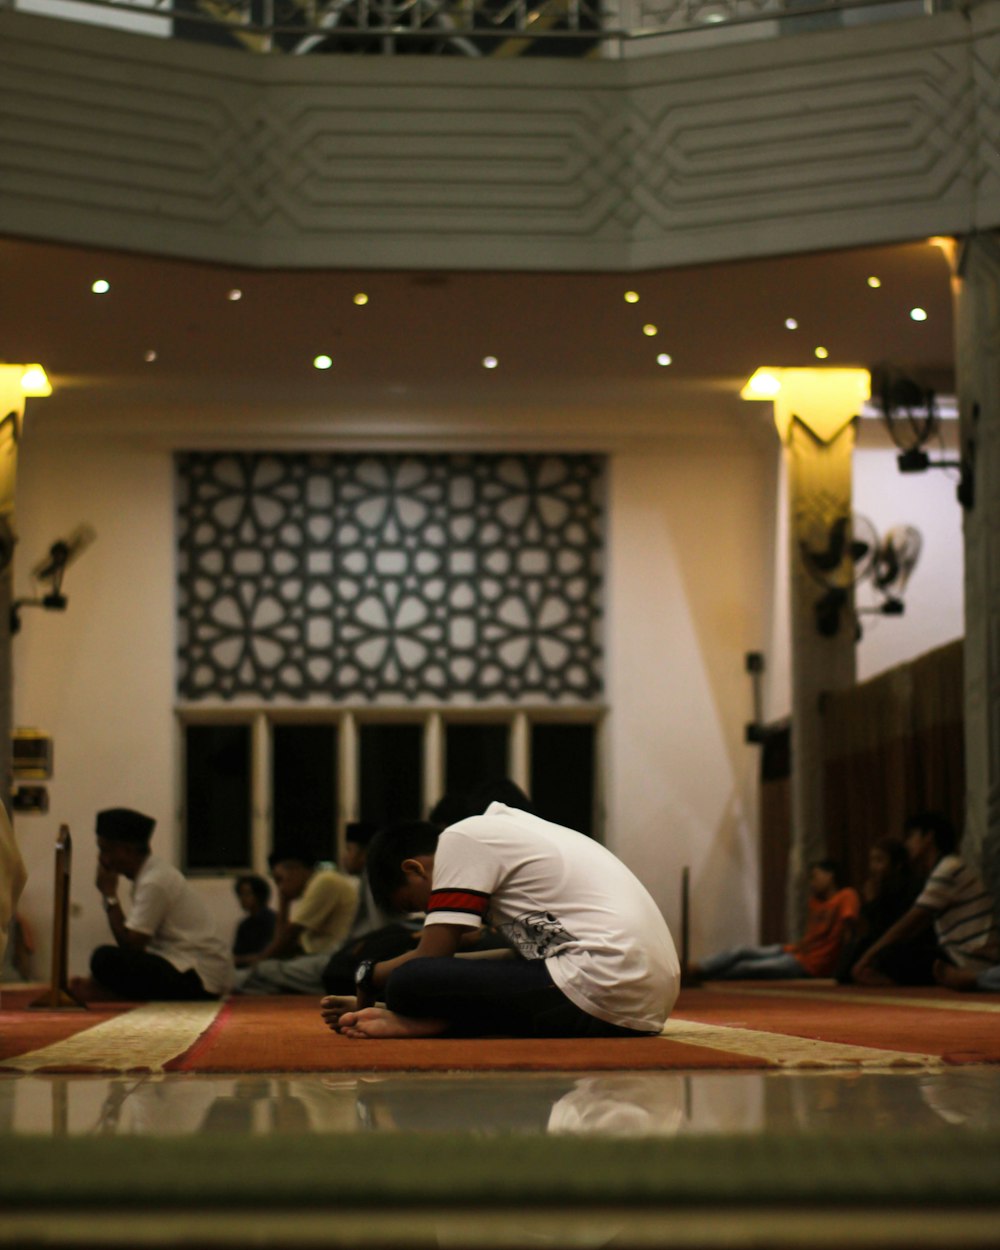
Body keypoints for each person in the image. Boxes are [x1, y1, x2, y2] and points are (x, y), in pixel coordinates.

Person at [319, 799, 680, 1039]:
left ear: (415, 869)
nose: (430, 913)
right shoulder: (510, 834)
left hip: (603, 983)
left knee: (410, 981)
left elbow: (430, 959)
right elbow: (517, 962)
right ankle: (436, 1018)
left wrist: (367, 976)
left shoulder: (460, 840)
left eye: (419, 903)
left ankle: (431, 1021)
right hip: (637, 998)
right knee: (424, 979)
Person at [84, 807, 232, 1001]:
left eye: (105, 850)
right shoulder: (151, 874)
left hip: (198, 977)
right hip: (187, 968)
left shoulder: (154, 881)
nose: (101, 859)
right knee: (110, 961)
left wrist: (109, 895)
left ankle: (105, 992)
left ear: (127, 850)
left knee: (103, 958)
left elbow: (132, 945)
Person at [852, 812, 1000, 986]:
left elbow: (911, 921)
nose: (907, 844)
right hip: (957, 952)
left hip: (968, 958)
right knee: (876, 949)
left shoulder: (949, 867)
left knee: (889, 956)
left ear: (928, 837)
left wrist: (867, 958)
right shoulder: (942, 869)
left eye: (911, 836)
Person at [690, 861, 860, 982]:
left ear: (830, 875)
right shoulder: (815, 902)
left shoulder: (846, 895)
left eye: (815, 876)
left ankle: (700, 975)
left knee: (748, 967)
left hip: (811, 964)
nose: (812, 882)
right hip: (796, 951)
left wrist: (840, 969)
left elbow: (849, 930)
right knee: (740, 951)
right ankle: (698, 968)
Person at [235, 849, 359, 994]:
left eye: (280, 879)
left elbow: (287, 937)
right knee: (264, 980)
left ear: (294, 869)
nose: (279, 886)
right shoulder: (315, 886)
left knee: (263, 970)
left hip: (332, 961)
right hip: (324, 961)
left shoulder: (324, 881)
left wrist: (259, 961)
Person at [836, 837, 930, 983]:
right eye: (872, 861)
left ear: (897, 865)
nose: (873, 867)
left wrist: (873, 903)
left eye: (879, 861)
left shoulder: (912, 888)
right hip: (885, 944)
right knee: (848, 961)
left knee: (890, 954)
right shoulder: (881, 888)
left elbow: (893, 930)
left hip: (909, 945)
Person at [232, 874, 277, 968]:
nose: (242, 898)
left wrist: (239, 959)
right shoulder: (244, 925)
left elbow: (267, 954)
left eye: (247, 894)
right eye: (241, 894)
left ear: (259, 896)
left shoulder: (272, 920)